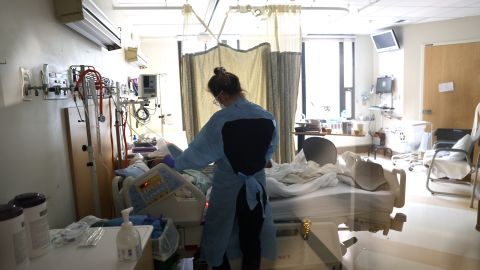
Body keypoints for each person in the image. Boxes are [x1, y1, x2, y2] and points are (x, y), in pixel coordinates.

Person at [162, 67, 278, 270]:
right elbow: (269, 152)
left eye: (217, 99)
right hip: (257, 188)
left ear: (223, 95)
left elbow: (200, 153)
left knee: (219, 234)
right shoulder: (267, 117)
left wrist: (175, 164)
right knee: (252, 239)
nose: (219, 103)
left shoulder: (221, 121)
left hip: (229, 188)